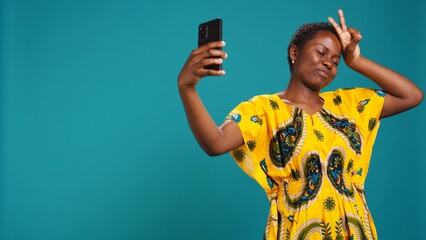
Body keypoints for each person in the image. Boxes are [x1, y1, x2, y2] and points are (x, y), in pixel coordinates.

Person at [177, 9, 423, 240]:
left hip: (355, 229)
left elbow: (411, 96)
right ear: (294, 53)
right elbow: (215, 143)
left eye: (336, 60)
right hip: (296, 230)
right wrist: (187, 88)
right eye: (321, 52)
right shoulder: (263, 110)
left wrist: (356, 60)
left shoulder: (349, 104)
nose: (328, 62)